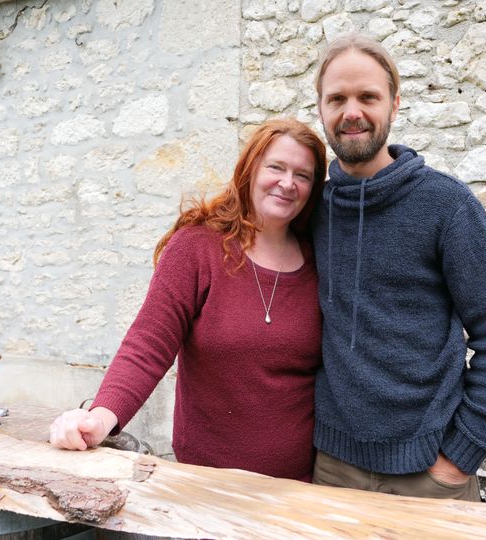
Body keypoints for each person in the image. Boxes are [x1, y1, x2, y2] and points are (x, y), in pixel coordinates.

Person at [310, 34, 486, 501]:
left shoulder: (447, 206)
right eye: (337, 98)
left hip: (430, 473)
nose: (352, 111)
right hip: (331, 469)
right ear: (320, 107)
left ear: (394, 104)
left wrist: (459, 458)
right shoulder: (311, 208)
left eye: (368, 96)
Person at [49, 118, 327, 482]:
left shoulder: (320, 259)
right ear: (249, 169)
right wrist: (99, 417)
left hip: (299, 489)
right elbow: (148, 344)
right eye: (276, 167)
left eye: (303, 175)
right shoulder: (199, 248)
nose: (288, 183)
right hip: (205, 486)